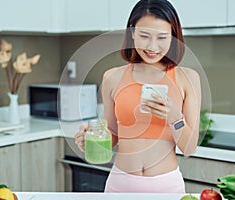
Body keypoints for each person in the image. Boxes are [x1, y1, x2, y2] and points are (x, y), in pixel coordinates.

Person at [74, 0, 201, 193]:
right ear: (132, 33)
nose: (152, 46)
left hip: (167, 187)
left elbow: (189, 148)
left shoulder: (188, 79)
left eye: (162, 38)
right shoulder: (112, 77)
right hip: (119, 184)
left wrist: (175, 117)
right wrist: (92, 138)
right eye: (144, 36)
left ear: (173, 37)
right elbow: (113, 134)